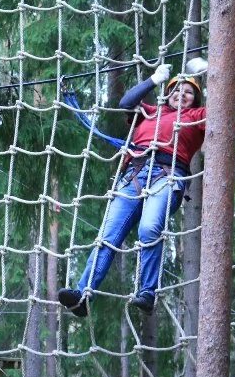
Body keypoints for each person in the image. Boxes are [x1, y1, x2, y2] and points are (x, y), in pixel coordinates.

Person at [58, 57, 208, 316]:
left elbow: (222, 107)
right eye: (176, 90)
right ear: (167, 93)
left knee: (149, 228)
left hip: (167, 175)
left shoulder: (197, 117)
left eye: (188, 93)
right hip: (134, 175)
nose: (181, 95)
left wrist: (209, 74)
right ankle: (83, 295)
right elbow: (126, 103)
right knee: (107, 236)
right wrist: (153, 80)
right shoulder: (150, 111)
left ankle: (147, 292)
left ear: (195, 100)